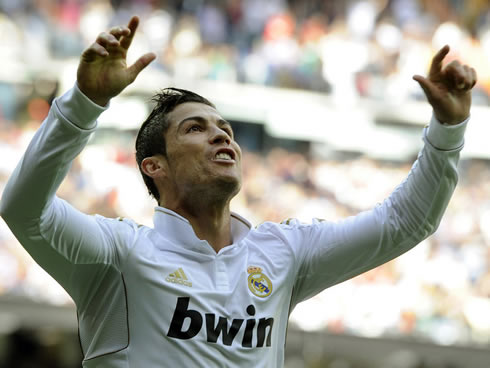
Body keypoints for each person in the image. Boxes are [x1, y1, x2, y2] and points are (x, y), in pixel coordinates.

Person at [0, 15, 477, 368]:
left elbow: (406, 222)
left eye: (224, 128)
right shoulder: (118, 254)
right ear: (155, 167)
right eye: (195, 128)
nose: (221, 136)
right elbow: (22, 207)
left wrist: (449, 128)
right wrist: (84, 104)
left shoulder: (284, 253)